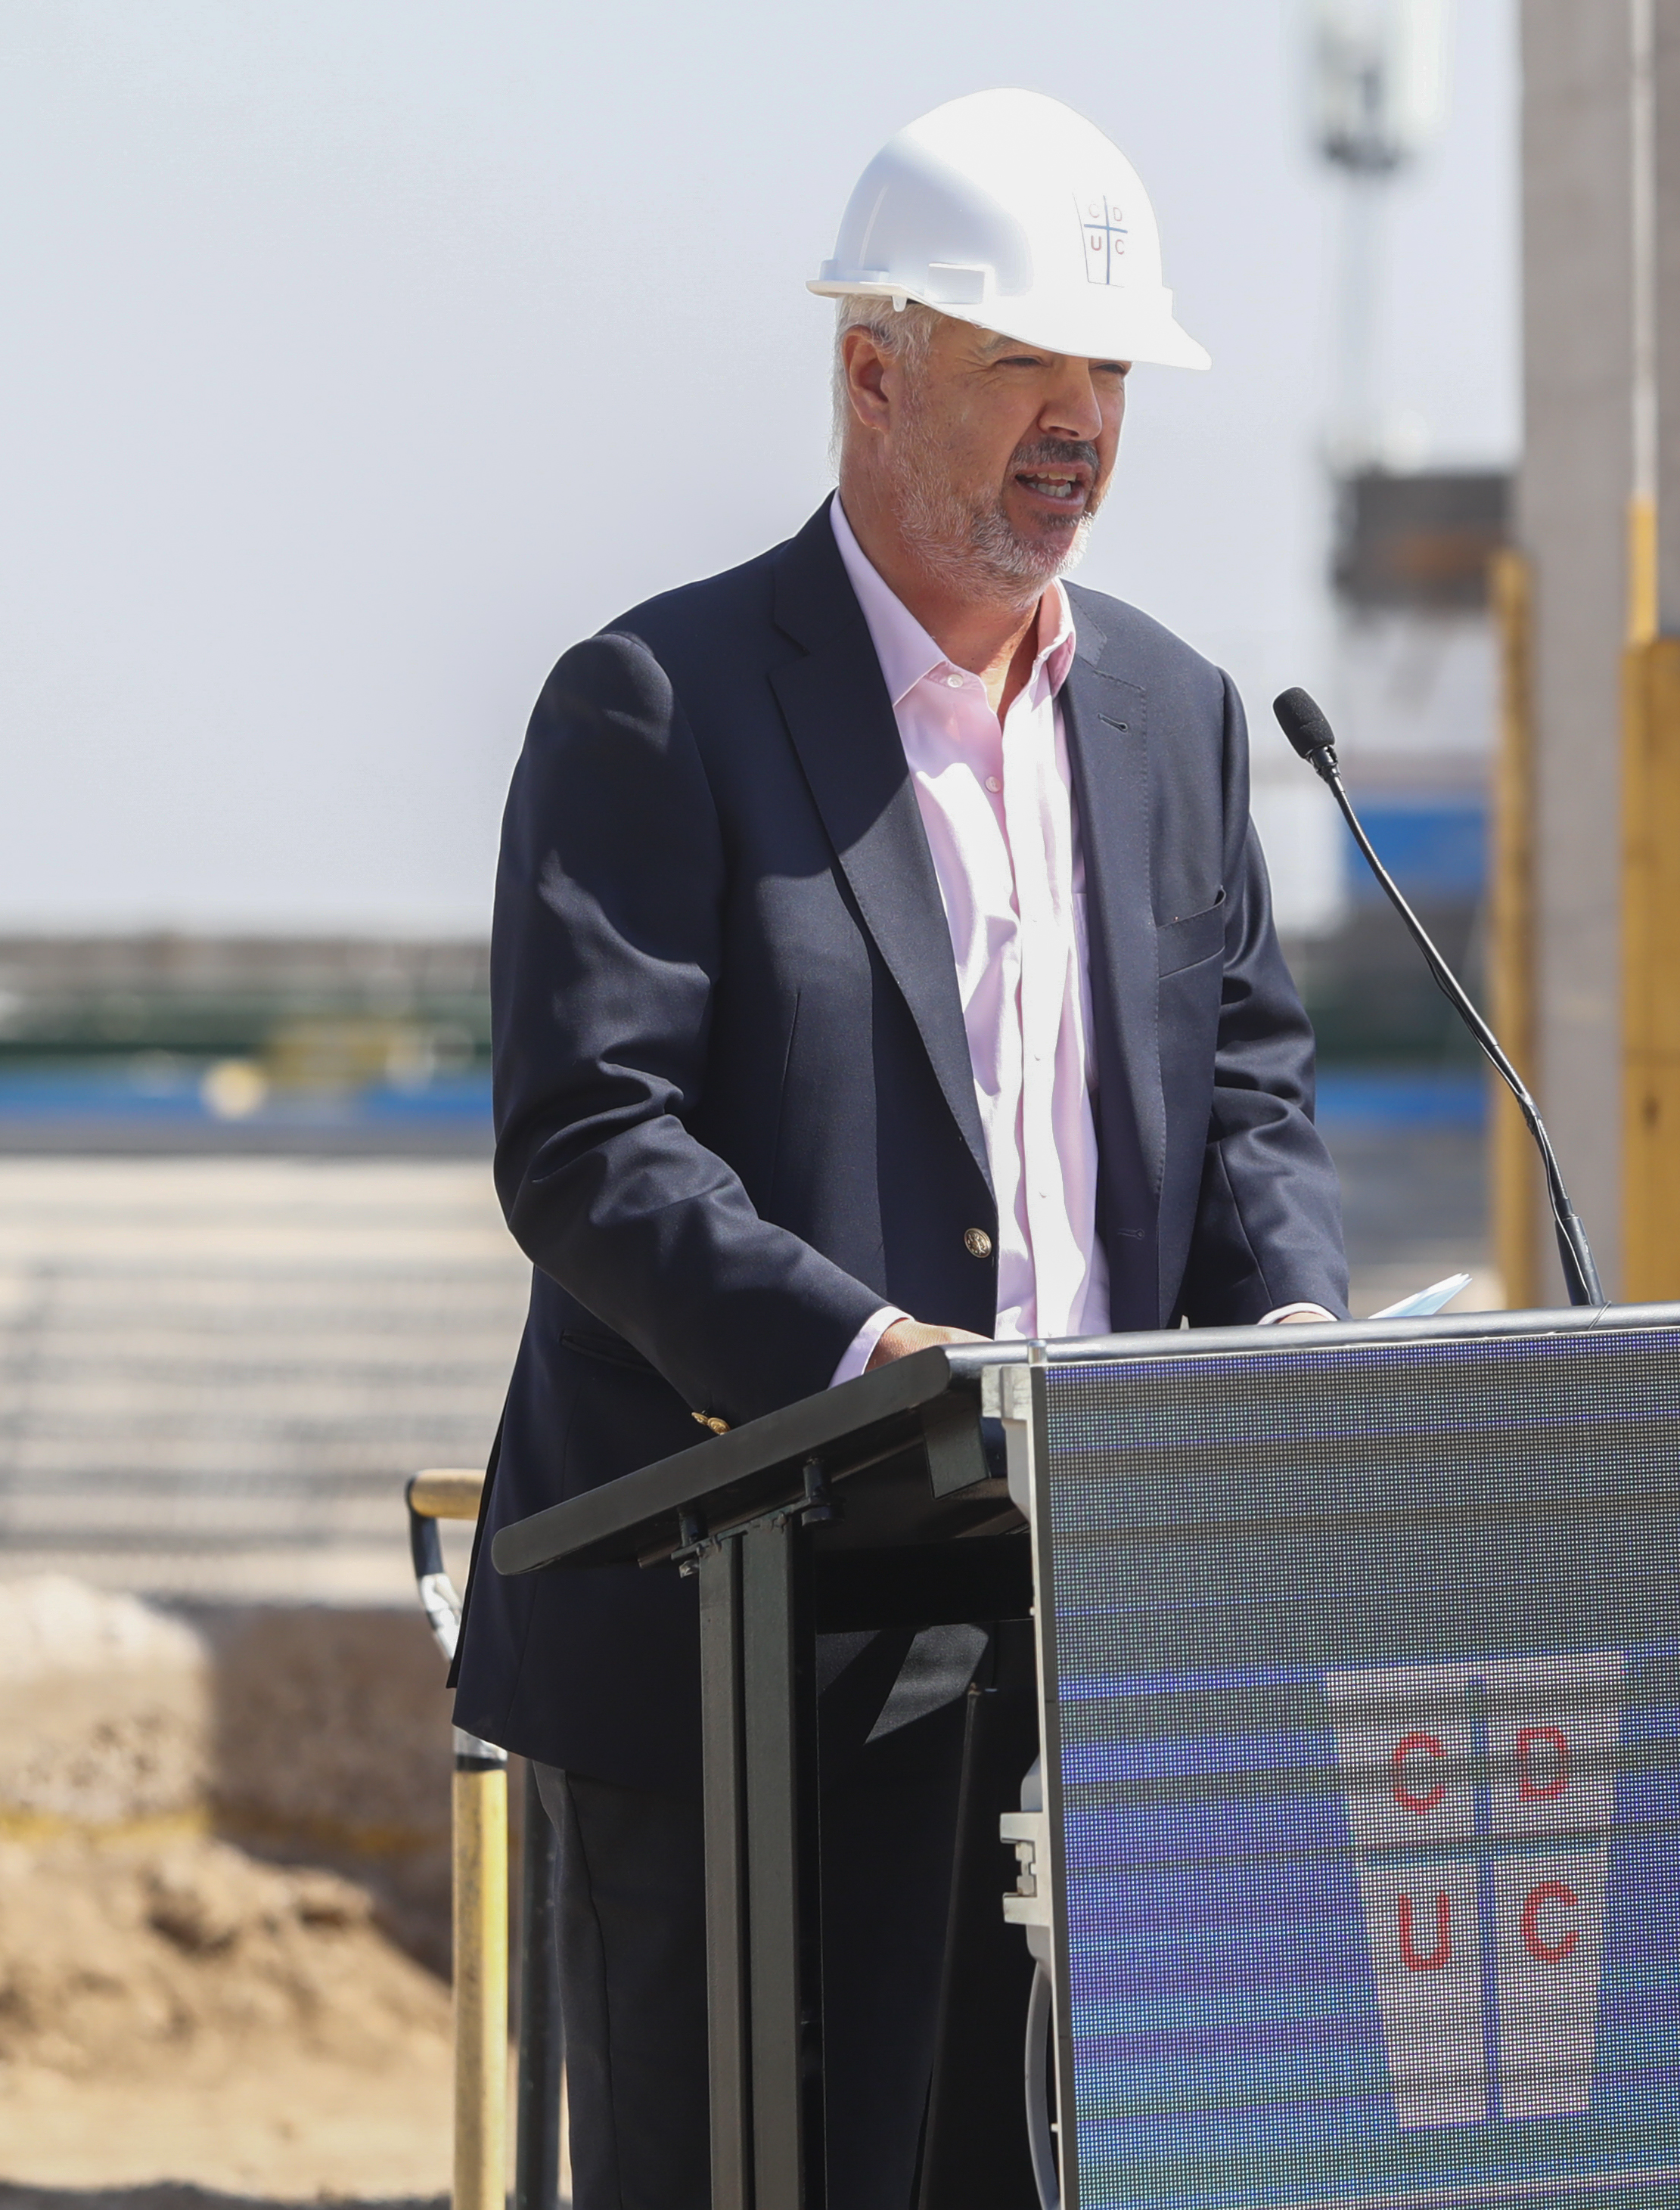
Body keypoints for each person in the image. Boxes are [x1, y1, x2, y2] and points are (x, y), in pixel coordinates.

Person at [451, 88, 1349, 2210]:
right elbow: (589, 1137)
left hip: (1068, 1639)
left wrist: (1295, 1312)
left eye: (1109, 374)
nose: (1082, 423)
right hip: (731, 1648)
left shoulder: (1177, 719)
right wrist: (867, 1364)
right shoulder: (656, 702)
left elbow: (1243, 1093)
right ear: (874, 371)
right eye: (1030, 365)